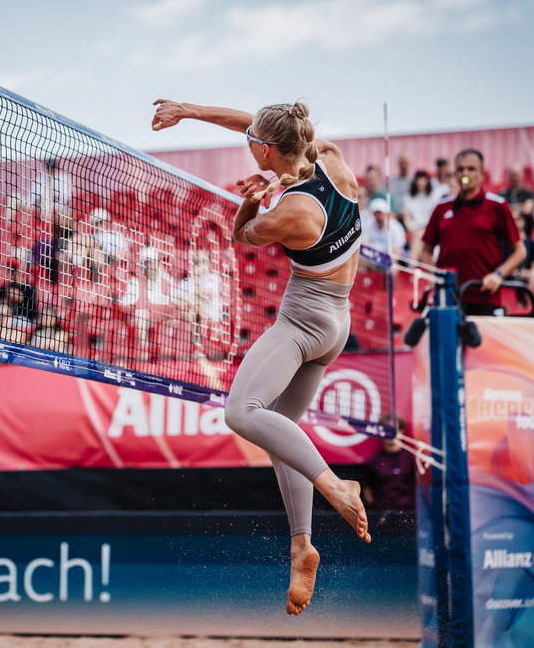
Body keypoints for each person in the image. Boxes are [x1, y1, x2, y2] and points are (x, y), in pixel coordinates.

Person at [152, 98, 371, 617]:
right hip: (338, 324)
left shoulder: (289, 212)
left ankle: (335, 486)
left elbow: (240, 234)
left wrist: (252, 199)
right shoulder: (331, 158)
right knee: (281, 434)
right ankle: (302, 547)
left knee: (242, 413)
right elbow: (256, 129)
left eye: (253, 141)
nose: (246, 140)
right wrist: (188, 110)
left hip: (303, 322)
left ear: (267, 150)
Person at [419, 149, 526, 317]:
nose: (465, 173)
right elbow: (425, 250)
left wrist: (498, 275)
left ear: (482, 175)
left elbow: (520, 251)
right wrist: (434, 277)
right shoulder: (442, 207)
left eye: (471, 169)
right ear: (455, 174)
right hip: (448, 298)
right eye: (460, 169)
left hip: (484, 297)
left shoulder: (497, 206)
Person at [362, 416, 415, 521]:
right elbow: (367, 488)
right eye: (385, 429)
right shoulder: (373, 461)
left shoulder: (412, 458)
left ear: (401, 431)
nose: (389, 433)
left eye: (393, 429)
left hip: (409, 515)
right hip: (382, 516)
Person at [401, 170, 441, 263]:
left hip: (429, 228)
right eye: (419, 179)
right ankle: (415, 261)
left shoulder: (434, 195)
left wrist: (426, 229)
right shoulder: (408, 196)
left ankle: (413, 262)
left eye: (423, 179)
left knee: (420, 235)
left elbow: (435, 216)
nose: (421, 182)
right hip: (415, 229)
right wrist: (415, 229)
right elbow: (407, 218)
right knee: (419, 234)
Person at [500, 163, 534, 234]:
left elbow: (527, 210)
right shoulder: (502, 194)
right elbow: (501, 211)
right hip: (507, 232)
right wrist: (521, 206)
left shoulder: (529, 193)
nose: (514, 178)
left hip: (526, 232)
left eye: (516, 175)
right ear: (508, 176)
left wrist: (509, 207)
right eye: (512, 175)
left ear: (522, 176)